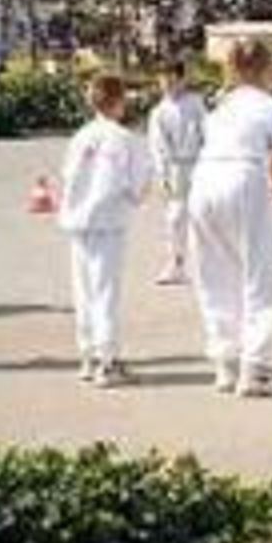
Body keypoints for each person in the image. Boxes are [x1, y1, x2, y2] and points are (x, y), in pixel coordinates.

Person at [188, 39, 272, 397]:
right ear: (267, 68)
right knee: (258, 274)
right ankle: (256, 371)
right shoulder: (270, 106)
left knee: (214, 272)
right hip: (243, 178)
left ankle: (225, 364)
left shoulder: (220, 104)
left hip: (204, 181)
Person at [58, 73, 152, 388]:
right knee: (105, 293)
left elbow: (67, 176)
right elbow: (136, 185)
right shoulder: (124, 139)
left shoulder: (81, 136)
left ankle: (87, 356)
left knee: (83, 292)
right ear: (118, 101)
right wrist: (137, 194)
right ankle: (107, 361)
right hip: (108, 223)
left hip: (78, 222)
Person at [147, 59, 207, 285]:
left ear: (183, 79)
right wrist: (162, 175)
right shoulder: (159, 112)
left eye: (173, 79)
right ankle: (176, 262)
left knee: (204, 214)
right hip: (174, 168)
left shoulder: (195, 103)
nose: (168, 84)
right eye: (163, 79)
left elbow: (207, 131)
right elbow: (157, 147)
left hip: (198, 164)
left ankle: (207, 263)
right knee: (175, 217)